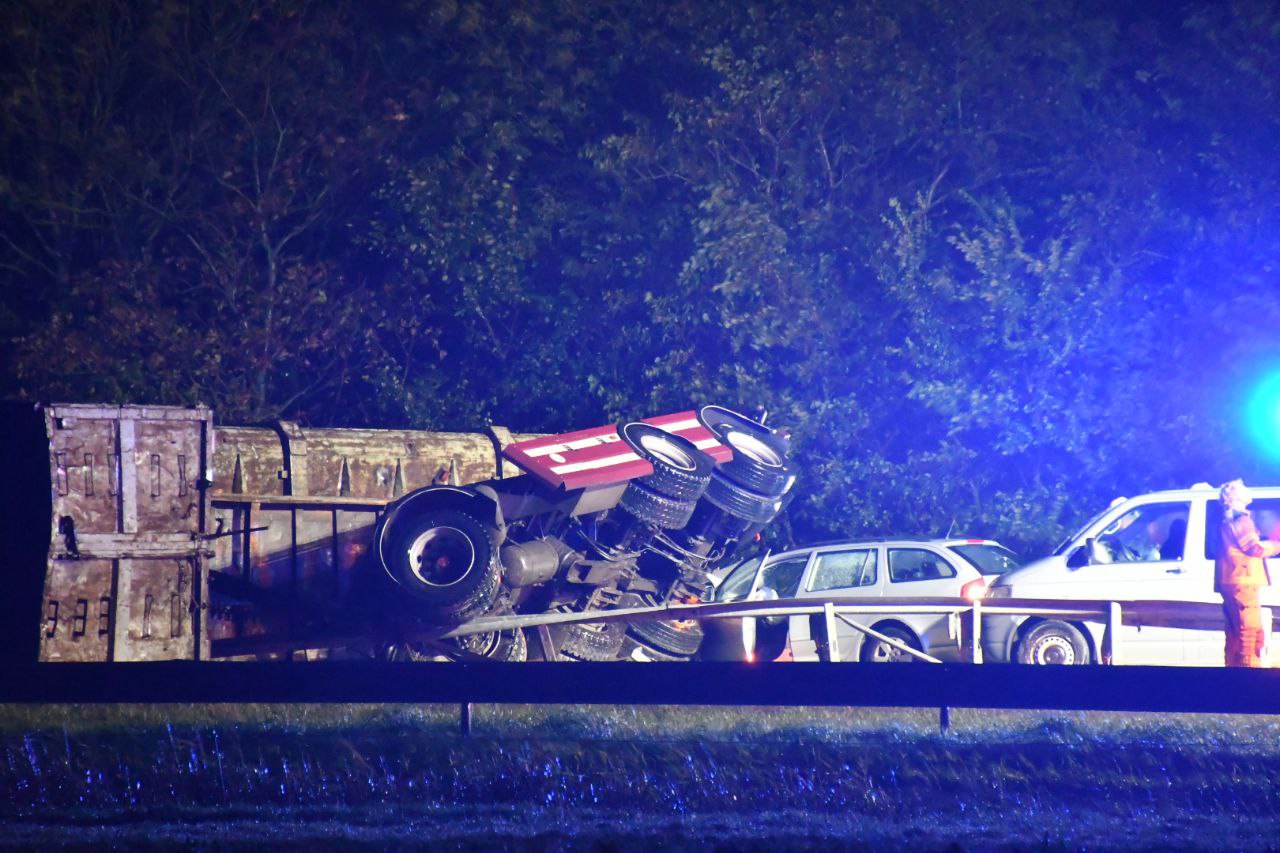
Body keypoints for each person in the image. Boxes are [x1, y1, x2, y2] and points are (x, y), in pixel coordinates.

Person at [1216, 480, 1280, 667]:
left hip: (1233, 580)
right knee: (1250, 632)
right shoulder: (1241, 519)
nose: (1248, 491)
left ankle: (1234, 672)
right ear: (1235, 496)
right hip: (1243, 581)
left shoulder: (1230, 519)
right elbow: (1254, 548)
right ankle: (1248, 674)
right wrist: (1276, 545)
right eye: (1244, 489)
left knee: (1236, 632)